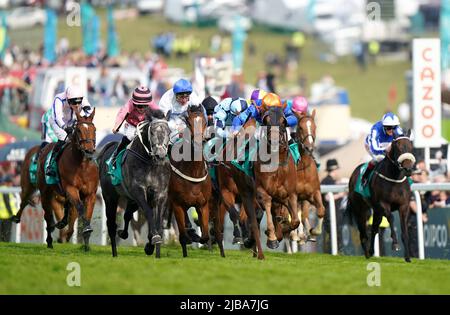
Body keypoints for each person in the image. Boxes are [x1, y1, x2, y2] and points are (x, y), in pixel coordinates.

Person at [45, 86, 93, 177]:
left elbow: (89, 111)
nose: (77, 105)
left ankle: (88, 157)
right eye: (74, 103)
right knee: (64, 138)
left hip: (72, 121)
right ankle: (51, 164)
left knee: (83, 135)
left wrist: (85, 112)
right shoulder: (59, 99)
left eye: (79, 103)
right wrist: (65, 128)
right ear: (67, 99)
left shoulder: (80, 98)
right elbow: (58, 118)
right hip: (57, 122)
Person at [110, 86, 155, 168]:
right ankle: (115, 156)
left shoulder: (151, 103)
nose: (142, 109)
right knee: (130, 137)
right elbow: (121, 115)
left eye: (145, 106)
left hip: (144, 124)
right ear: (134, 103)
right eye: (139, 106)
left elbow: (159, 114)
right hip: (131, 125)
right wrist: (116, 126)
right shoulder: (129, 104)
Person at [361, 112, 403, 186]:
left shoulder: (399, 130)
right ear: (383, 126)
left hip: (387, 144)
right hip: (372, 146)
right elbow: (374, 148)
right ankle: (365, 177)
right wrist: (385, 149)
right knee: (379, 158)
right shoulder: (376, 130)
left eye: (394, 127)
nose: (391, 130)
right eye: (388, 127)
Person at [158, 78, 201, 145]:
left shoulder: (194, 99)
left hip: (187, 122)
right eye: (180, 97)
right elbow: (162, 122)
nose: (184, 100)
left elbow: (198, 117)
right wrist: (176, 127)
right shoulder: (166, 99)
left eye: (186, 97)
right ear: (175, 95)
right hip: (171, 124)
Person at [320, 159, 346, 254]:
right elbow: (327, 197)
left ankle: (336, 252)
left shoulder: (329, 181)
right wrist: (341, 194)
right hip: (331, 214)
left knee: (336, 235)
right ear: (334, 170)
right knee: (333, 236)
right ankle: (335, 252)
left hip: (334, 214)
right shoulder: (327, 181)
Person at [0, 175, 18, 242]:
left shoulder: (3, 189)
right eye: (11, 183)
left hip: (3, 216)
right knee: (6, 235)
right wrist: (12, 214)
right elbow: (7, 203)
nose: (12, 184)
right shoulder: (6, 190)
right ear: (8, 182)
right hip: (6, 216)